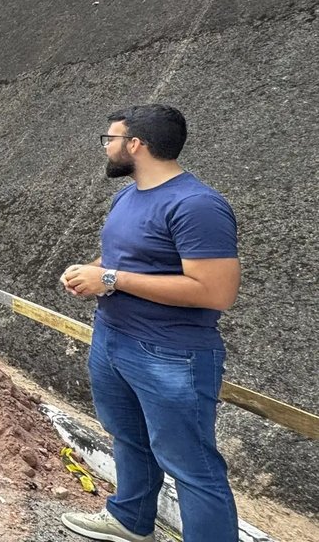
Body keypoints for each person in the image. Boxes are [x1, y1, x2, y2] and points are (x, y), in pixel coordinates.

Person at [60, 104, 240, 542]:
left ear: (135, 144)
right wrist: (94, 272)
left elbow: (216, 291)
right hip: (113, 338)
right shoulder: (128, 195)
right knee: (129, 437)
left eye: (111, 139)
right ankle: (130, 519)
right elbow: (124, 259)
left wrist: (110, 278)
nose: (107, 148)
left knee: (191, 465)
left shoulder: (197, 205)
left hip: (171, 354)